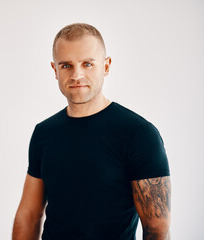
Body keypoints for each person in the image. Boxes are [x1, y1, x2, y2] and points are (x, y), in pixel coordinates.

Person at [12, 23, 171, 240]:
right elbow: (28, 215)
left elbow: (157, 229)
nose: (77, 75)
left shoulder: (139, 134)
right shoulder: (44, 133)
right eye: (66, 65)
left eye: (87, 64)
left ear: (106, 66)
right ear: (55, 70)